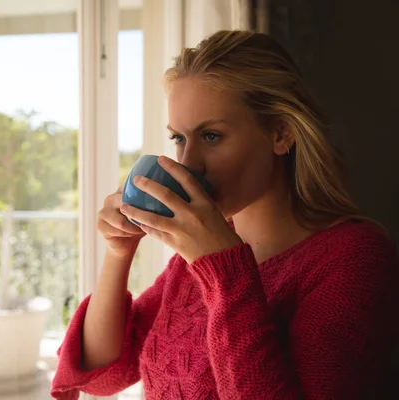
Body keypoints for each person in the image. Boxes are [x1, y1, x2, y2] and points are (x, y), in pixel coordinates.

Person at [50, 30, 399, 399]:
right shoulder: (198, 254)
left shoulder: (353, 259)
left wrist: (223, 270)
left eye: (212, 136)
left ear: (281, 134)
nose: (188, 163)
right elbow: (100, 372)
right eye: (178, 139)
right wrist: (118, 253)